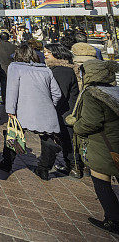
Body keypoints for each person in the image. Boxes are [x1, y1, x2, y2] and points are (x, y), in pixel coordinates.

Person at [0, 43, 62, 180]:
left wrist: (10, 110)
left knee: (13, 135)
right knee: (47, 138)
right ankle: (44, 169)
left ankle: (7, 163)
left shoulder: (15, 67)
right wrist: (49, 105)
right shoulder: (46, 70)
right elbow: (57, 93)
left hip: (23, 110)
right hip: (46, 109)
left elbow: (12, 90)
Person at [71, 59, 119, 234]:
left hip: (102, 146)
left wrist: (75, 126)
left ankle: (113, 219)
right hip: (115, 142)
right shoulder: (114, 91)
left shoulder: (92, 94)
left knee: (101, 182)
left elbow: (91, 122)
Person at [42, 43, 81, 178]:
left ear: (57, 54)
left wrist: (50, 110)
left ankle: (74, 167)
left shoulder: (61, 71)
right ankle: (75, 165)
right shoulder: (62, 69)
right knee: (67, 139)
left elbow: (60, 94)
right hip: (66, 111)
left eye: (48, 52)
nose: (45, 54)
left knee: (68, 140)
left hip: (66, 112)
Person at [0, 31, 16, 103]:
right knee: (12, 84)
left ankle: (5, 99)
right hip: (12, 67)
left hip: (2, 67)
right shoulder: (13, 46)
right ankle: (13, 99)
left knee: (3, 84)